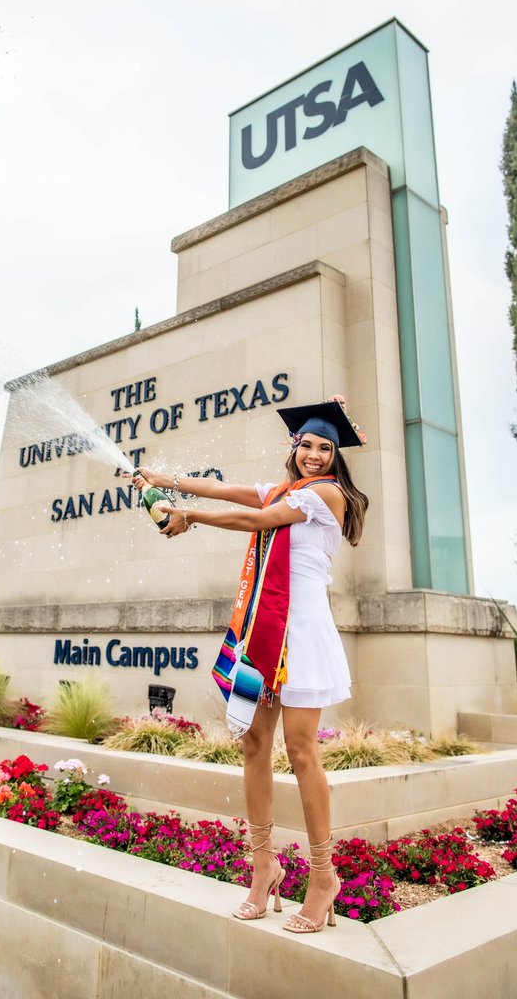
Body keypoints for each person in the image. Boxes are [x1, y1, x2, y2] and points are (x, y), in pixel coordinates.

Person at [131, 397, 368, 934]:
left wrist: (190, 517)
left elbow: (260, 520)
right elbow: (224, 489)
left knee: (302, 751)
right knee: (255, 744)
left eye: (324, 448)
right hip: (264, 633)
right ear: (294, 446)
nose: (313, 454)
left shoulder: (326, 494)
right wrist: (162, 480)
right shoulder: (282, 488)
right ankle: (264, 867)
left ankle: (324, 878)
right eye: (306, 445)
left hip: (302, 635)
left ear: (335, 457)